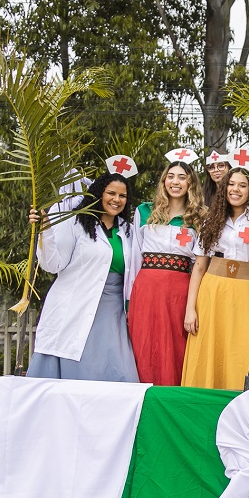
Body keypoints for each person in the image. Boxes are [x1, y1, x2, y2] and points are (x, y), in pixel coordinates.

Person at [26, 171, 141, 382]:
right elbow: (53, 264)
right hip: (75, 305)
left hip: (112, 311)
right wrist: (45, 231)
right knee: (76, 368)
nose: (116, 200)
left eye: (122, 196)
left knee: (120, 372)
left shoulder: (128, 231)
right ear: (99, 193)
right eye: (111, 193)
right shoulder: (77, 223)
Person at [180, 167, 249, 390]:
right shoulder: (212, 217)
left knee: (245, 351)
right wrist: (191, 309)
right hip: (213, 291)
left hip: (248, 292)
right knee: (213, 351)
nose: (235, 189)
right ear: (224, 187)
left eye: (242, 185)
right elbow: (199, 266)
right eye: (231, 184)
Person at [127, 160, 206, 386]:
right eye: (171, 176)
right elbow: (134, 256)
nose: (175, 182)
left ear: (190, 182)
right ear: (164, 180)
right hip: (147, 287)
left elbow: (200, 264)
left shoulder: (199, 217)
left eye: (182, 177)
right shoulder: (144, 211)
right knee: (144, 344)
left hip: (179, 290)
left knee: (176, 346)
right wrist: (128, 298)